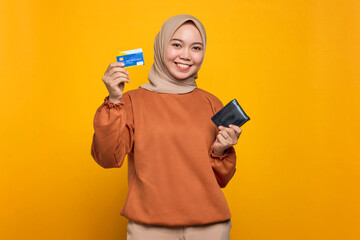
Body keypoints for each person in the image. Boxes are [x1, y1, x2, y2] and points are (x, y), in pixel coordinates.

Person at [91, 14, 242, 240]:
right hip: (149, 228)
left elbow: (222, 179)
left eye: (196, 48)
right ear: (161, 46)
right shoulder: (130, 101)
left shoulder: (212, 103)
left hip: (210, 227)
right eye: (177, 44)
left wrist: (221, 150)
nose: (186, 55)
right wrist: (114, 99)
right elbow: (107, 158)